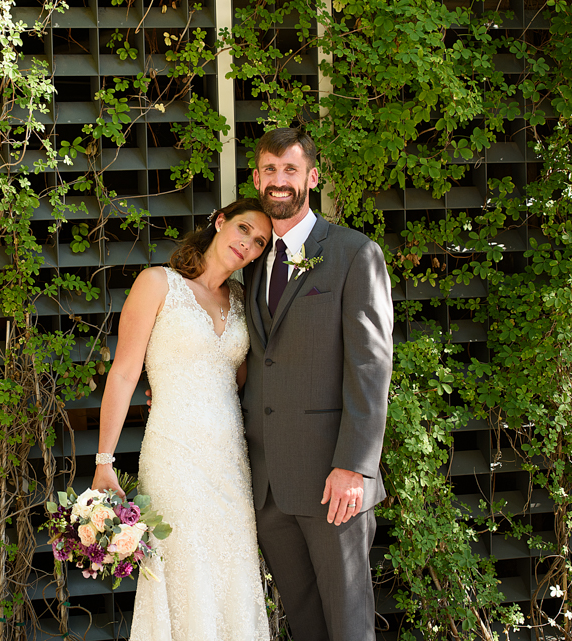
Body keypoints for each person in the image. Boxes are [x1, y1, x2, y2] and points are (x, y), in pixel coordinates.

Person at [91, 198, 273, 641]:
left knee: (233, 571)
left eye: (259, 243)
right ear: (220, 221)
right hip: (175, 452)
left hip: (230, 461)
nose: (247, 244)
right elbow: (124, 372)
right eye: (244, 229)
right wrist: (103, 461)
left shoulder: (245, 303)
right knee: (184, 567)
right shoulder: (157, 284)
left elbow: (242, 383)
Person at [242, 127, 393, 641]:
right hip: (269, 488)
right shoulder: (252, 258)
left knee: (349, 626)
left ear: (312, 176)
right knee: (305, 625)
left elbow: (371, 367)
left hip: (334, 485)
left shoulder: (354, 253)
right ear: (256, 177)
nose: (278, 181)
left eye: (290, 169)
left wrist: (354, 466)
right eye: (269, 169)